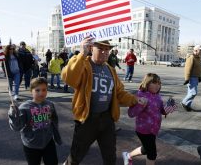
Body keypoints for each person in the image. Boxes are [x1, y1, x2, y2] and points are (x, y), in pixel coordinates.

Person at [61, 37, 143, 165]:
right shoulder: (84, 63)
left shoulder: (110, 69)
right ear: (91, 48)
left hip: (107, 119)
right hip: (87, 119)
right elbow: (69, 78)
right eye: (101, 49)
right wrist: (82, 53)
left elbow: (119, 92)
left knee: (110, 157)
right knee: (76, 155)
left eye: (107, 49)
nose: (105, 52)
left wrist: (135, 100)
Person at [122, 73, 175, 165]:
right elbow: (131, 114)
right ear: (146, 83)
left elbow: (160, 110)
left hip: (154, 129)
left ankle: (128, 155)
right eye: (154, 83)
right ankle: (128, 155)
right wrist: (140, 105)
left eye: (159, 83)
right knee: (152, 154)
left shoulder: (158, 96)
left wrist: (166, 110)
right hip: (143, 130)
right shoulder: (139, 95)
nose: (157, 86)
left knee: (146, 149)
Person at [8, 77, 62, 165]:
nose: (41, 93)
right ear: (31, 91)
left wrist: (57, 137)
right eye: (37, 90)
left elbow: (54, 122)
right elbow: (17, 127)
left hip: (48, 142)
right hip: (31, 145)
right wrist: (14, 115)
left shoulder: (50, 105)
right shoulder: (24, 107)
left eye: (44, 90)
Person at [181, 45, 201, 111]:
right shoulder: (191, 57)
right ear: (195, 50)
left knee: (190, 93)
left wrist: (199, 77)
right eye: (200, 50)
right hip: (191, 78)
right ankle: (184, 102)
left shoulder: (198, 58)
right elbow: (187, 69)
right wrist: (187, 79)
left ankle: (188, 106)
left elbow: (198, 69)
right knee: (193, 93)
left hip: (195, 78)